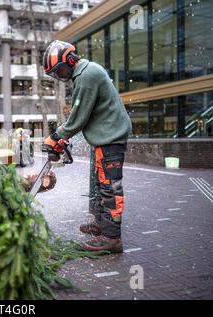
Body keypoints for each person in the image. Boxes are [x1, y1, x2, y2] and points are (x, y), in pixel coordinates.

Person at [42, 40, 132, 253]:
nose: (61, 76)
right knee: (102, 184)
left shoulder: (87, 75)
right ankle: (102, 225)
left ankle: (112, 239)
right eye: (57, 73)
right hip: (105, 137)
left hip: (111, 137)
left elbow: (78, 117)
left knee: (110, 187)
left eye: (61, 70)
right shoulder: (85, 73)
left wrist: (56, 136)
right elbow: (84, 116)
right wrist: (65, 138)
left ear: (70, 59)